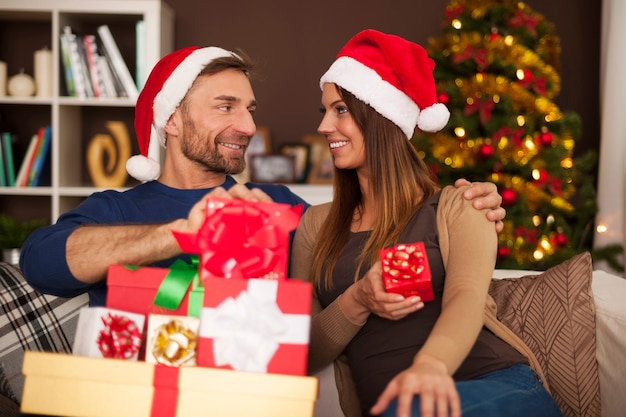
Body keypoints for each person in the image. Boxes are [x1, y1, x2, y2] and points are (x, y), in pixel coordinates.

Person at [20, 45, 504, 308]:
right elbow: (39, 264)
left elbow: (374, 237)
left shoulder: (281, 206)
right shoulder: (117, 210)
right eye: (225, 107)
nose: (248, 126)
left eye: (249, 109)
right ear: (170, 120)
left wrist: (455, 207)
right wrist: (181, 235)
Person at [289, 29, 562, 417]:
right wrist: (358, 299)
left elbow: (465, 297)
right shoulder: (316, 226)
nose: (324, 127)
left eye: (341, 109)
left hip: (493, 387)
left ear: (380, 115)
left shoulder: (459, 207)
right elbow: (301, 350)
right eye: (325, 111)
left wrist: (429, 367)